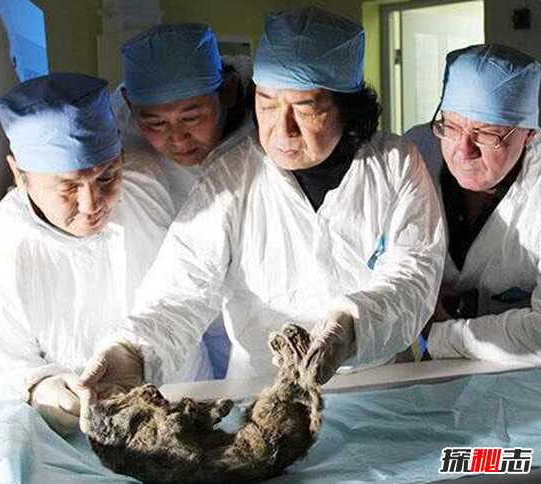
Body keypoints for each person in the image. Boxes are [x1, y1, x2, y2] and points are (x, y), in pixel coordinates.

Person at [80, 7, 445, 396]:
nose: (281, 130)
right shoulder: (232, 175)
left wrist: (351, 328)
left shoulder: (395, 164)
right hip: (260, 392)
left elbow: (414, 274)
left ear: (347, 106)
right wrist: (131, 352)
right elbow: (181, 288)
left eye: (305, 108)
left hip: (379, 385)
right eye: (267, 104)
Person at [0, 73, 173, 435]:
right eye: (68, 187)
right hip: (75, 429)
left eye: (107, 177)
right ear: (20, 173)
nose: (92, 205)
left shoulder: (147, 187)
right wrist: (42, 389)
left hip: (178, 392)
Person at [113, 23, 253, 378]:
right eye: (155, 124)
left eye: (192, 117)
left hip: (254, 307)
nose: (177, 139)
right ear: (130, 104)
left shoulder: (267, 119)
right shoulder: (115, 127)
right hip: (170, 310)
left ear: (227, 92)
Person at [405, 44, 541, 364]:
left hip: (519, 379)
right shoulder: (414, 153)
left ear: (530, 134)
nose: (463, 151)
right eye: (451, 127)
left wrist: (437, 333)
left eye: (487, 134)